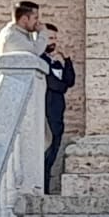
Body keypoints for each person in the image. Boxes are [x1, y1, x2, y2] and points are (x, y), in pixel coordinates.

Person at [41, 23, 76, 191]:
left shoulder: (56, 60)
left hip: (57, 112)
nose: (53, 42)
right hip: (46, 112)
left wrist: (67, 60)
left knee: (53, 151)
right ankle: (43, 188)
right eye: (50, 38)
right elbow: (57, 85)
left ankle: (46, 187)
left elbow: (69, 81)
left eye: (55, 38)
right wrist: (62, 84)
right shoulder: (40, 60)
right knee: (45, 152)